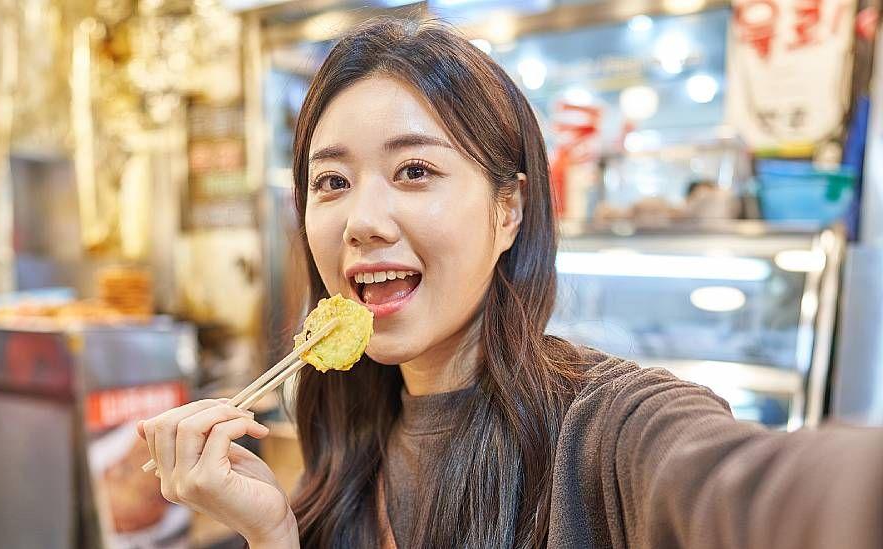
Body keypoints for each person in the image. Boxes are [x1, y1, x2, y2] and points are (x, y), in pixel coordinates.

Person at [137, 18, 883, 549]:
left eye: (415, 170)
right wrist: (270, 534)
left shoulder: (606, 431)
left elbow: (758, 490)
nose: (361, 219)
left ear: (508, 209)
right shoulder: (346, 438)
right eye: (331, 181)